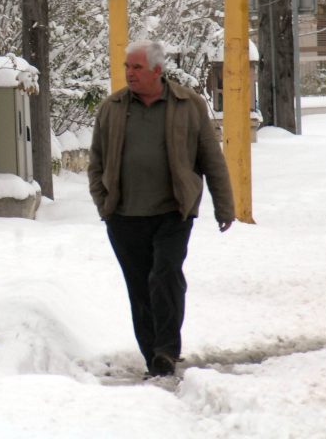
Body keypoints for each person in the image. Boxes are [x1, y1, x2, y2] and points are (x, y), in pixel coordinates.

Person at [88, 39, 234, 377]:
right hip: (124, 216)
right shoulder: (112, 107)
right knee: (139, 286)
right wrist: (103, 203)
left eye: (136, 67)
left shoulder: (188, 104)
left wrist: (224, 206)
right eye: (127, 66)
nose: (130, 73)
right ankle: (152, 354)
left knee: (165, 275)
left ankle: (167, 349)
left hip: (173, 212)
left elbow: (212, 160)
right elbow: (96, 162)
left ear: (157, 70)